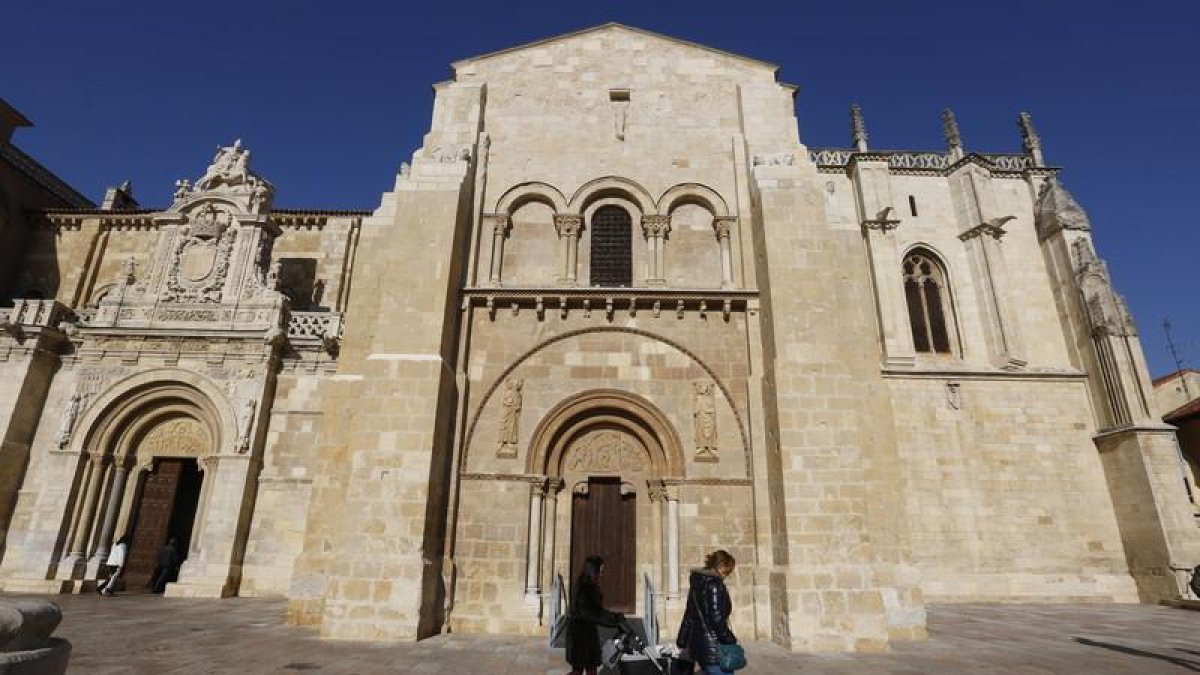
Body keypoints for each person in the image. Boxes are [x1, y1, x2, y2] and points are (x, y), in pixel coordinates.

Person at [675, 550, 738, 675]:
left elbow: (689, 615)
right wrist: (730, 639)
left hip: (700, 648)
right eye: (726, 571)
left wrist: (681, 640)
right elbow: (717, 619)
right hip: (715, 649)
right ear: (720, 566)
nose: (726, 575)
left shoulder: (697, 584)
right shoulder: (714, 585)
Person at [565, 555, 624, 675]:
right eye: (600, 570)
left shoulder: (586, 585)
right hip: (581, 638)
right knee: (584, 670)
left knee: (582, 669)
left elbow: (594, 612)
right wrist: (614, 619)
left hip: (584, 636)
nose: (602, 573)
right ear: (593, 570)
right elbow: (594, 613)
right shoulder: (585, 588)